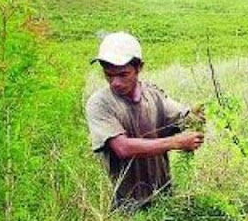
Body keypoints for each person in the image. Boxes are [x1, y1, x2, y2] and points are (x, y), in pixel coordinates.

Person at [85, 32, 205, 209]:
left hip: (163, 199)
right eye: (109, 75)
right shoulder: (100, 103)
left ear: (139, 67)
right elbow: (123, 148)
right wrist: (176, 142)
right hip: (127, 205)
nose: (115, 83)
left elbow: (184, 118)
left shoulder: (153, 96)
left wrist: (198, 117)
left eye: (123, 74)